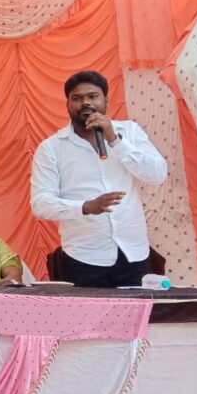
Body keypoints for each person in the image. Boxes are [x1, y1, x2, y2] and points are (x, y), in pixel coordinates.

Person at [31, 71, 167, 287]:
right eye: (77, 98)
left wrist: (115, 140)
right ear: (67, 105)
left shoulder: (130, 132)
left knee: (136, 310)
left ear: (106, 100)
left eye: (93, 96)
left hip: (133, 252)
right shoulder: (51, 148)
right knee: (88, 311)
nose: (86, 103)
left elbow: (157, 174)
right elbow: (41, 203)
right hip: (84, 257)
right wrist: (85, 207)